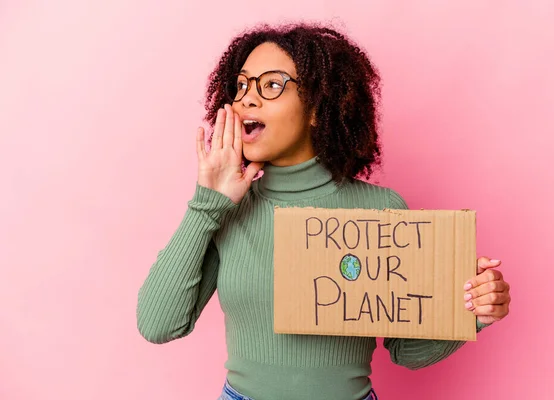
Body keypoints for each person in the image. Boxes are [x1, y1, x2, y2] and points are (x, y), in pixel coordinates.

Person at [136, 23, 511, 400]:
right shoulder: (226, 210)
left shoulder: (382, 210)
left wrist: (472, 313)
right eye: (243, 85)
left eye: (270, 85)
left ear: (316, 108)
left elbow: (406, 351)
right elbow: (158, 324)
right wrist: (207, 203)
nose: (247, 98)